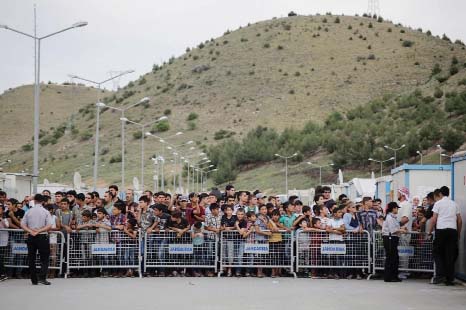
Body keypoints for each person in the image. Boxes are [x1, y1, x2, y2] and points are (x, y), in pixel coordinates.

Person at [428, 186, 463, 285]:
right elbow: (459, 220)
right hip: (452, 231)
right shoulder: (454, 204)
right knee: (450, 255)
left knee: (437, 252)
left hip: (441, 231)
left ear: (440, 194)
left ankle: (439, 275)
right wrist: (458, 233)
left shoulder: (438, 204)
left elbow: (434, 219)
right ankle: (449, 279)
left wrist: (430, 231)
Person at [20, 194, 53, 285]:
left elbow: (22, 224)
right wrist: (39, 230)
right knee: (44, 258)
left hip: (31, 236)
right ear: (43, 201)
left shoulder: (28, 212)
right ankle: (42, 277)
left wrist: (30, 231)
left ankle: (34, 280)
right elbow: (49, 225)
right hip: (42, 236)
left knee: (31, 258)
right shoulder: (45, 212)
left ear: (34, 201)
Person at [382, 202, 407, 282]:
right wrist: (402, 230)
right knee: (391, 258)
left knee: (394, 258)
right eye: (396, 208)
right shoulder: (389, 217)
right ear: (393, 208)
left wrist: (402, 229)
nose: (397, 210)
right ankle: (389, 277)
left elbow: (396, 228)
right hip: (389, 238)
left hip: (393, 238)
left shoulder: (393, 217)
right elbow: (393, 230)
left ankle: (393, 276)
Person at [396, 187, 413, 279]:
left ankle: (404, 272)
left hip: (404, 233)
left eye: (398, 192)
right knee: (399, 253)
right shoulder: (401, 204)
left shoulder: (406, 204)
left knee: (403, 253)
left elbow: (405, 219)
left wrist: (395, 225)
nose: (397, 194)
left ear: (402, 194)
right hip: (399, 232)